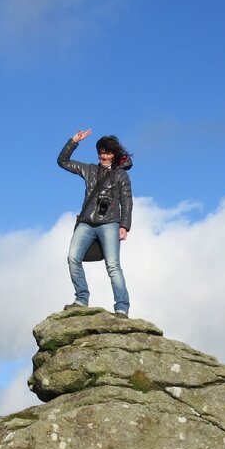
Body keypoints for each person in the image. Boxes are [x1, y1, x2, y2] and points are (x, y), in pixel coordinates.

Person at [58, 128, 132, 317]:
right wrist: (74, 141)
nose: (103, 156)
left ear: (114, 154)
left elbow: (127, 201)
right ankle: (81, 299)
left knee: (113, 265)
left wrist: (124, 226)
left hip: (110, 223)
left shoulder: (121, 175)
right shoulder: (90, 170)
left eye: (107, 153)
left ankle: (122, 307)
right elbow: (63, 162)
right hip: (87, 222)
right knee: (72, 258)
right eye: (100, 152)